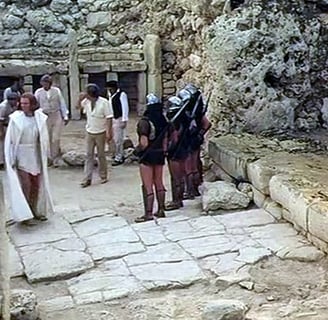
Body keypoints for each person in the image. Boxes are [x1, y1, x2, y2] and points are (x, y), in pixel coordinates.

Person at [4, 93, 54, 225]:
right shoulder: (16, 119)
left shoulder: (39, 118)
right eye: (22, 103)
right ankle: (25, 215)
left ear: (32, 104)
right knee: (25, 185)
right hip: (21, 153)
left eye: (26, 103)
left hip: (35, 154)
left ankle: (34, 210)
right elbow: (10, 140)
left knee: (36, 185)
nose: (23, 105)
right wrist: (11, 157)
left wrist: (46, 154)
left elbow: (43, 137)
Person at [134, 93, 168, 223]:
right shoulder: (162, 120)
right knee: (159, 182)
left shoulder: (144, 122)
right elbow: (165, 140)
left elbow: (144, 143)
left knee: (147, 185)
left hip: (148, 155)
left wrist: (136, 152)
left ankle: (148, 214)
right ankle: (161, 209)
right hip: (159, 153)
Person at [77, 84, 113, 188]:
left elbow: (109, 118)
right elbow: (77, 108)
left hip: (100, 132)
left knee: (101, 154)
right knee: (89, 155)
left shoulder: (104, 102)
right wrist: (79, 99)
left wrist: (109, 132)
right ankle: (87, 178)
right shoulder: (86, 102)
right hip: (90, 131)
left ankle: (103, 175)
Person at [34, 74, 69, 167]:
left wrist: (65, 115)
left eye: (47, 82)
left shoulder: (56, 91)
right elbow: (36, 105)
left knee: (55, 138)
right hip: (44, 116)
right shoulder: (38, 92)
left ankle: (55, 158)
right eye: (44, 82)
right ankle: (48, 158)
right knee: (46, 137)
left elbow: (62, 103)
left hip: (56, 115)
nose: (46, 84)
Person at [165, 96, 190, 211]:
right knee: (180, 176)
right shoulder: (185, 117)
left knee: (176, 177)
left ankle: (177, 201)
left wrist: (167, 149)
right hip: (183, 148)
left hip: (175, 151)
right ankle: (178, 199)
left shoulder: (175, 119)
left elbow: (174, 138)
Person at [106, 80, 129, 166]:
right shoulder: (110, 95)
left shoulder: (122, 95)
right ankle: (115, 154)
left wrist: (124, 120)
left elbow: (125, 107)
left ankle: (119, 157)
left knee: (118, 139)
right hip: (112, 118)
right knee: (112, 138)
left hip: (118, 118)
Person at [0, 93, 19, 169]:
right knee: (2, 144)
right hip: (4, 125)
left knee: (13, 143)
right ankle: (1, 162)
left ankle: (12, 161)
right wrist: (1, 131)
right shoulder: (3, 106)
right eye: (12, 100)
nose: (14, 101)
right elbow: (0, 120)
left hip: (13, 126)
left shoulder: (17, 105)